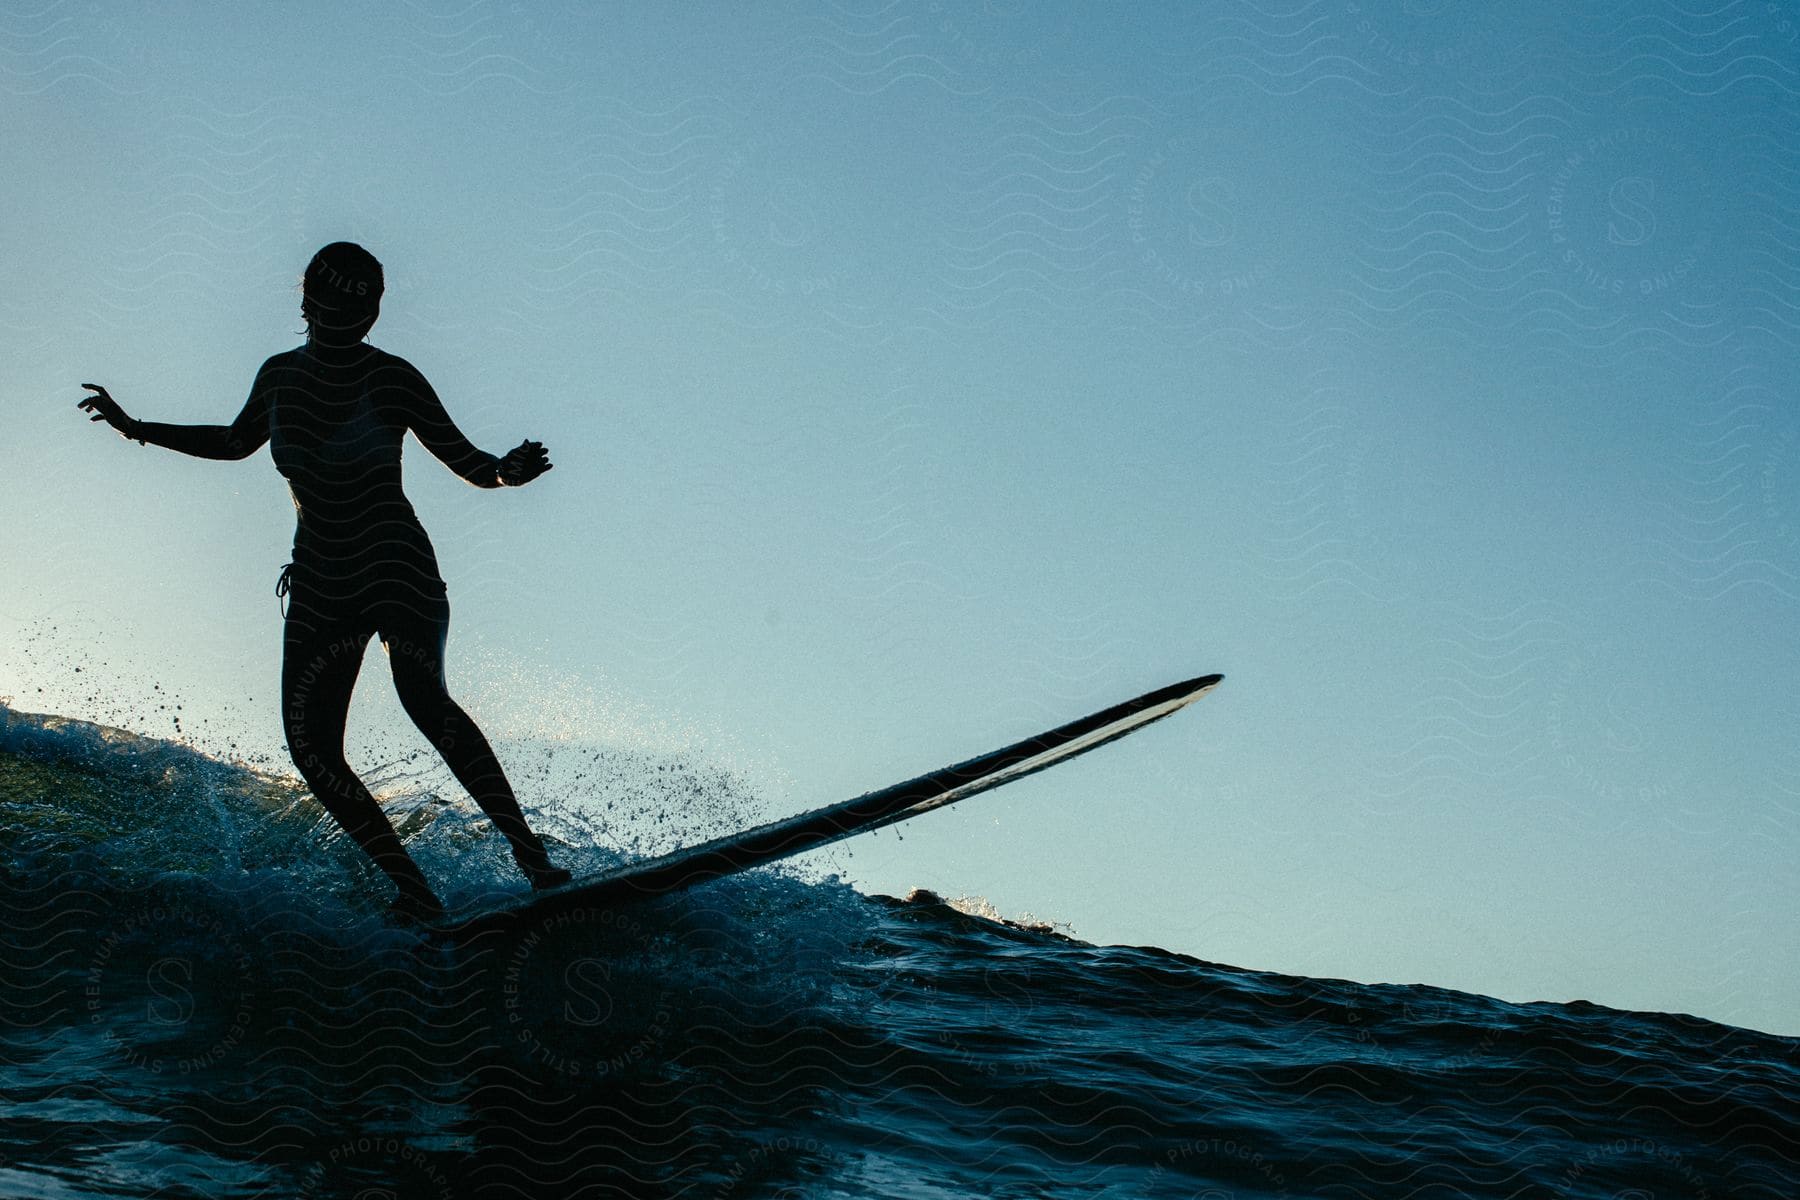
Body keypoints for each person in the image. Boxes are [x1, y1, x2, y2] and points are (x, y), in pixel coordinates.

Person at [78, 241, 570, 921]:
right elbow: (233, 441)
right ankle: (416, 892)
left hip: (396, 562)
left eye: (361, 304)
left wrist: (504, 471)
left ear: (372, 314)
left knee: (423, 696)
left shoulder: (394, 379)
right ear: (307, 302)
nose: (348, 315)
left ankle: (534, 861)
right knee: (312, 748)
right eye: (336, 300)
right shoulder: (279, 377)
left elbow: (467, 461)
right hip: (321, 580)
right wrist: (137, 429)